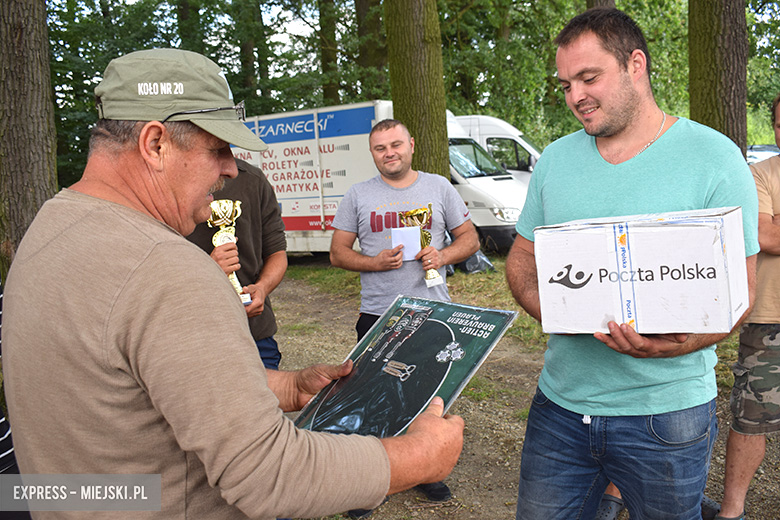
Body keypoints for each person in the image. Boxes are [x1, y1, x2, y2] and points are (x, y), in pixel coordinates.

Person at [1, 48, 464, 520]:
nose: (229, 168)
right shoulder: (168, 269)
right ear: (155, 143)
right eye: (217, 149)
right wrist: (417, 458)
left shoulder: (49, 228)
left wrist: (283, 388)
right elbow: (271, 477)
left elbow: (128, 387)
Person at [505, 8, 759, 520]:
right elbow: (521, 261)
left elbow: (739, 296)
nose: (575, 96)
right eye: (566, 83)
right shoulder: (554, 160)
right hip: (560, 407)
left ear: (635, 64)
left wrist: (673, 345)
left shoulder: (715, 157)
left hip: (668, 415)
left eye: (589, 77)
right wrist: (560, 312)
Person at [330, 119, 480, 517]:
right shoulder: (359, 195)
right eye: (380, 148)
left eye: (396, 144)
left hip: (433, 311)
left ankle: (425, 469)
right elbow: (337, 253)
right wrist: (373, 262)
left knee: (428, 396)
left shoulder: (438, 187)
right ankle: (369, 484)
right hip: (378, 314)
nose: (389, 153)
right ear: (372, 153)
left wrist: (443, 255)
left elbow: (471, 238)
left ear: (411, 145)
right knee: (372, 397)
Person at [717, 93, 780, 520]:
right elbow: (768, 236)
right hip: (768, 318)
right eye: (779, 123)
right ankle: (731, 511)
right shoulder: (758, 174)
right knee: (750, 419)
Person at [187, 158, 287, 369]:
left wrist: (261, 288)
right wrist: (210, 270)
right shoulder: (166, 183)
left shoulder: (252, 179)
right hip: (195, 337)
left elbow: (277, 253)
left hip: (255, 333)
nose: (230, 170)